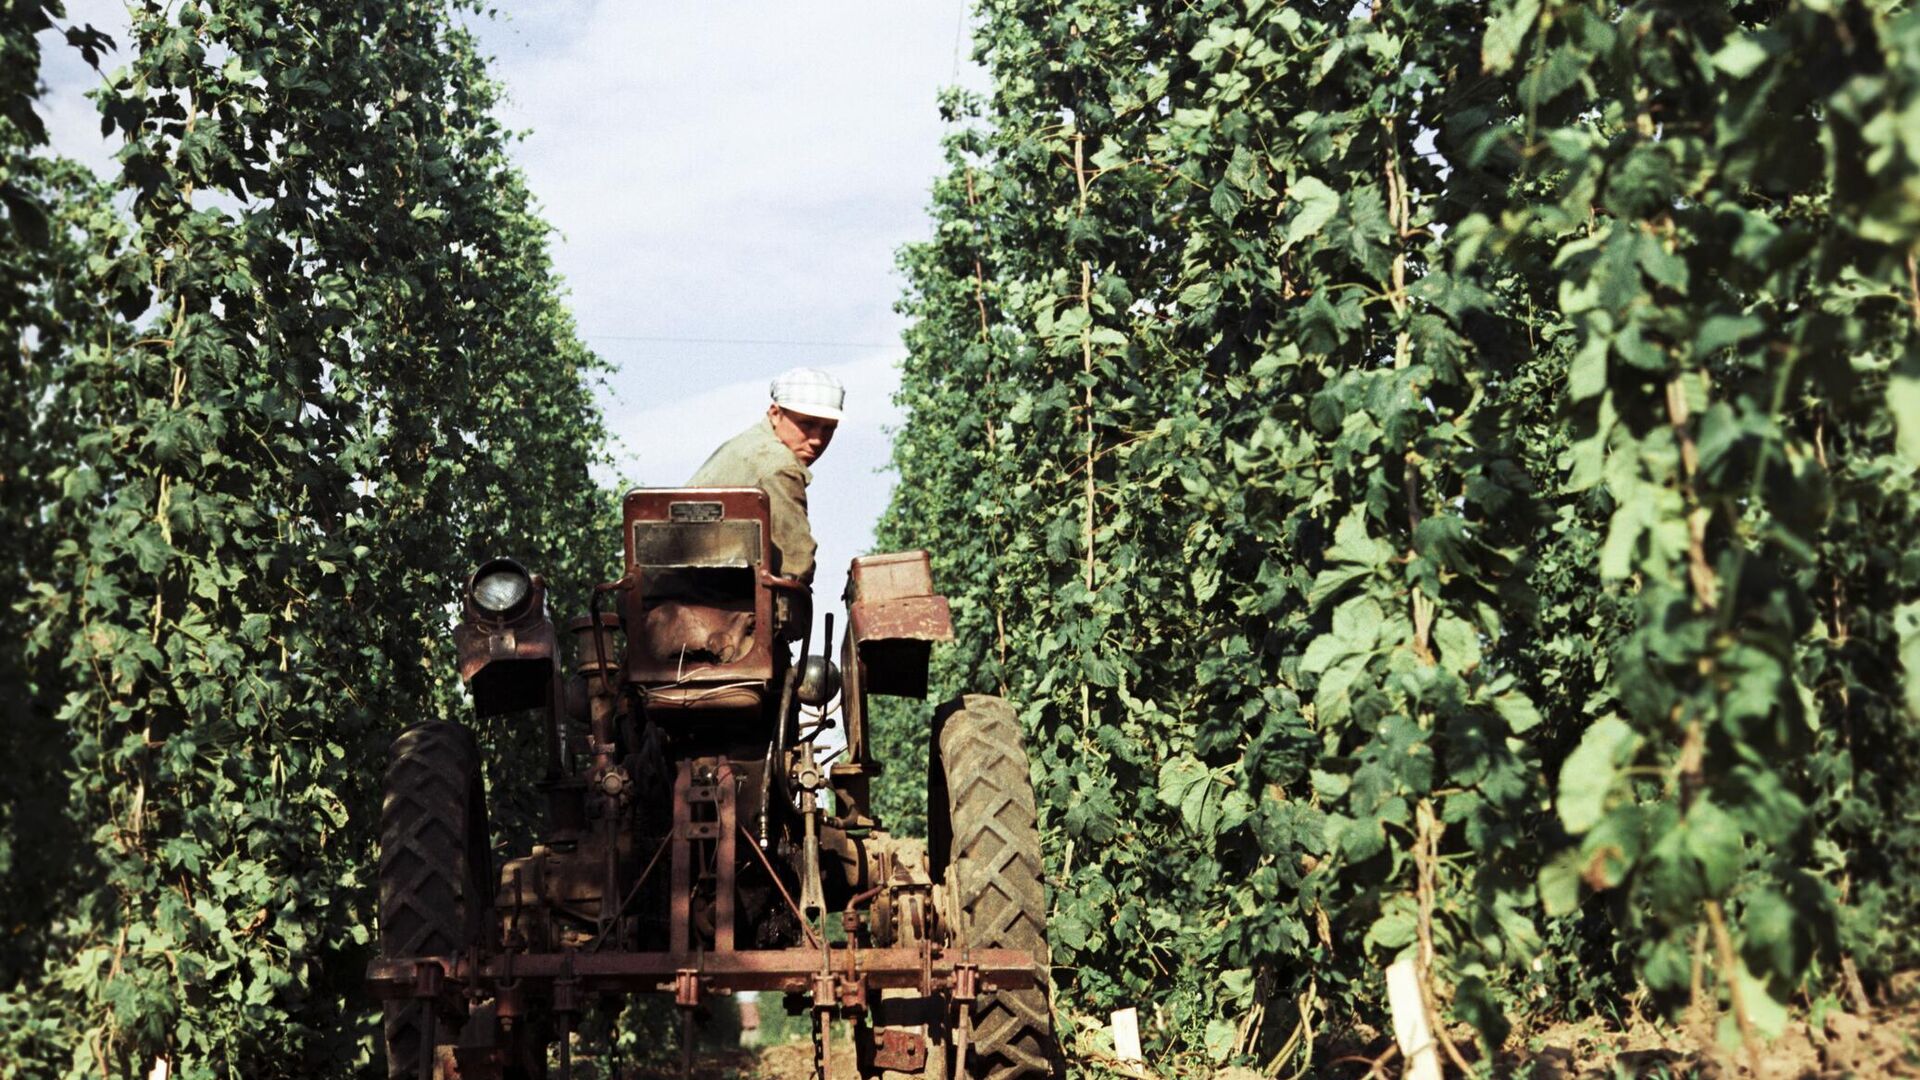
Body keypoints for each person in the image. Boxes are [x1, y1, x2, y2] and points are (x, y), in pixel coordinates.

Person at [688, 367, 843, 623]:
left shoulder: (745, 445)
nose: (817, 440)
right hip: (716, 609)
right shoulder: (779, 466)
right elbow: (797, 560)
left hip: (657, 602)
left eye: (829, 428)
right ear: (774, 414)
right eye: (807, 424)